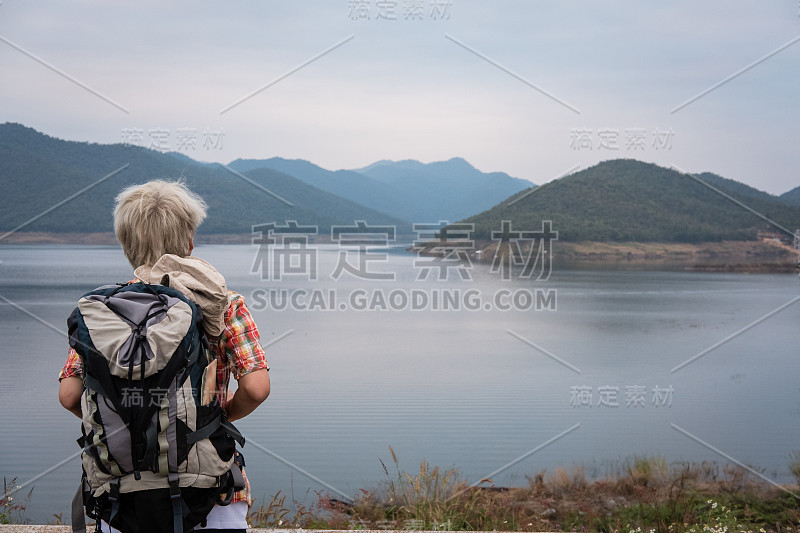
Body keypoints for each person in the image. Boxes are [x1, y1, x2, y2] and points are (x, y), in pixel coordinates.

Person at [58, 179, 270, 532]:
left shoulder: (106, 315)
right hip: (212, 493)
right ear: (189, 241)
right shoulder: (224, 304)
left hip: (123, 497)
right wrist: (217, 416)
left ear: (126, 245)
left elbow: (69, 395)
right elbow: (257, 387)